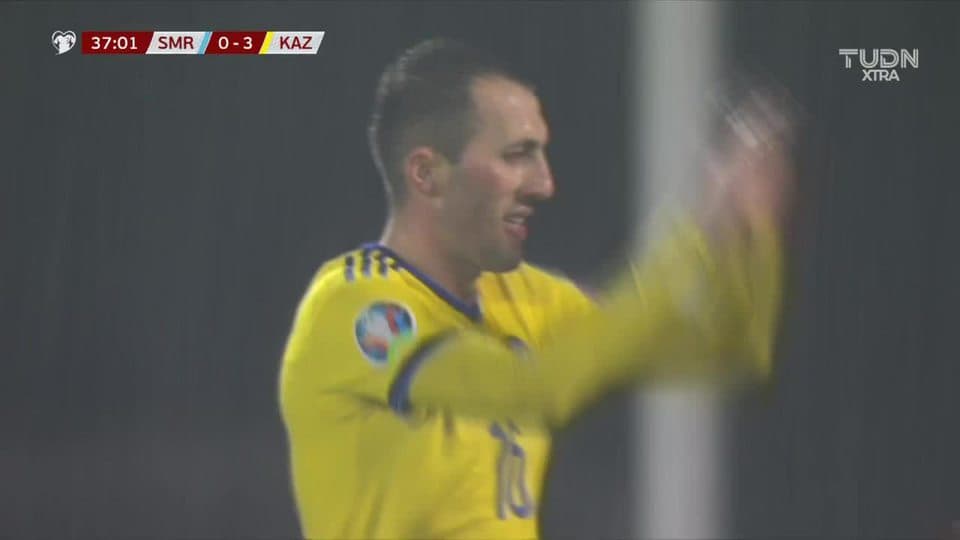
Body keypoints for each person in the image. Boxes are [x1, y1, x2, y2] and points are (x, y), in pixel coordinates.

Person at [279, 38, 793, 539]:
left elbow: (725, 351)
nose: (545, 184)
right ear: (427, 174)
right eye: (516, 156)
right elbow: (532, 389)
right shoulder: (355, 308)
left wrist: (750, 235)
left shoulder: (525, 297)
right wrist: (700, 231)